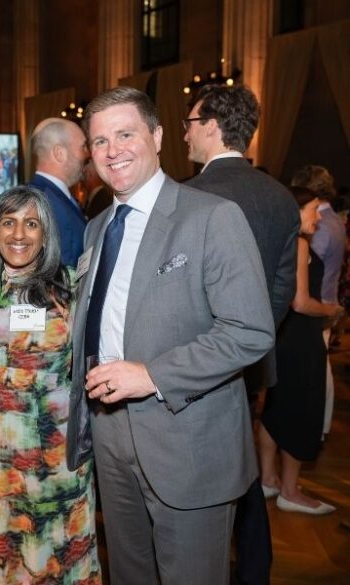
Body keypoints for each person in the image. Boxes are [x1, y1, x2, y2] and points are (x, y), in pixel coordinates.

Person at [67, 87, 275, 584]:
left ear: (158, 137)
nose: (113, 150)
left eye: (125, 134)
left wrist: (153, 375)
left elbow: (250, 330)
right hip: (109, 433)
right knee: (129, 574)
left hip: (187, 439)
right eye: (100, 141)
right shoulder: (97, 228)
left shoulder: (211, 217)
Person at [182, 83, 300, 585]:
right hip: (251, 366)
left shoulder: (187, 197)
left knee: (195, 479)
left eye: (189, 123)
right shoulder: (281, 197)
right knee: (242, 464)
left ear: (211, 126)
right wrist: (249, 342)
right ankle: (254, 568)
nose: (184, 134)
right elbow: (282, 290)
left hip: (191, 365)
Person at [0, 186, 101, 584]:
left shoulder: (71, 288)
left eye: (31, 224)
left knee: (52, 554)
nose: (19, 234)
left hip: (52, 452)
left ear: (45, 234)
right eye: (8, 222)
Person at [258, 186, 341, 516]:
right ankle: (290, 491)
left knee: (275, 408)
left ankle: (268, 479)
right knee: (301, 410)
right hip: (301, 339)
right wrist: (330, 310)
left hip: (283, 335)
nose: (318, 218)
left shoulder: (278, 238)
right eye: (313, 210)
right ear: (296, 210)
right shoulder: (299, 242)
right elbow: (301, 301)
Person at [291, 164, 345, 439]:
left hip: (316, 306)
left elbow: (308, 273)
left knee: (317, 376)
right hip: (324, 300)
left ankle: (316, 428)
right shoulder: (334, 219)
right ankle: (318, 427)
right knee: (321, 373)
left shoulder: (319, 226)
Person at [28, 118, 89, 267]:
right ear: (59, 153)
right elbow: (60, 273)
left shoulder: (50, 196)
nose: (88, 154)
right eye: (83, 147)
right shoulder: (45, 202)